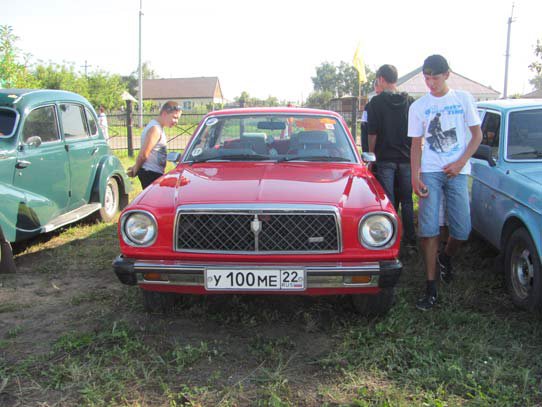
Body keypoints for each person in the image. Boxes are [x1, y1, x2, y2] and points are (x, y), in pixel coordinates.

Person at [408, 55, 482, 310]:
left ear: (447, 74)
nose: (430, 83)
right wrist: (415, 176)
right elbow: (416, 145)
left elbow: (477, 136)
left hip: (457, 172)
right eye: (426, 78)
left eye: (435, 78)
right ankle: (430, 287)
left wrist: (460, 163)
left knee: (462, 230)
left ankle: (446, 257)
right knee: (428, 230)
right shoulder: (418, 106)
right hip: (430, 171)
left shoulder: (463, 99)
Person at [366, 64, 416, 246]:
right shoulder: (410, 102)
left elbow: (372, 133)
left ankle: (391, 240)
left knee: (389, 202)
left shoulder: (375, 103)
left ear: (381, 79)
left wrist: (371, 156)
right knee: (408, 201)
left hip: (385, 158)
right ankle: (411, 240)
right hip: (407, 159)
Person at [127, 101, 182, 189]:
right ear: (164, 114)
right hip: (150, 173)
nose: (176, 121)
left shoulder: (158, 127)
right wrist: (135, 170)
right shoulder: (155, 129)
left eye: (178, 118)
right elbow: (143, 155)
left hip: (154, 173)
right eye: (174, 117)